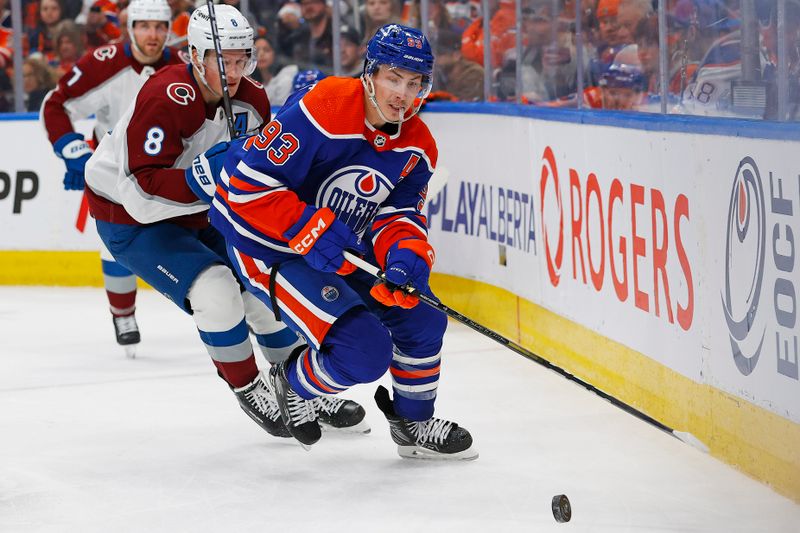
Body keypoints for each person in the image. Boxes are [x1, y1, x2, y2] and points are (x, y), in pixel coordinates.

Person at [83, 3, 367, 438]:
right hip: (128, 218)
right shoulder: (163, 96)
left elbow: (260, 179)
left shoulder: (252, 100)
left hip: (202, 210)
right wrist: (202, 180)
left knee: (262, 284)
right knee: (216, 289)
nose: (233, 71)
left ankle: (297, 388)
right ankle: (249, 386)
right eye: (223, 59)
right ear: (195, 56)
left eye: (241, 59)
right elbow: (139, 195)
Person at [209, 23, 477, 459]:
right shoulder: (325, 106)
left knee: (423, 319)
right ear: (369, 74)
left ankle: (413, 422)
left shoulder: (418, 145)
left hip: (339, 246)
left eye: (414, 84)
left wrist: (405, 255)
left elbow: (398, 214)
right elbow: (244, 188)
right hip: (266, 244)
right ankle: (293, 383)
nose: (402, 95)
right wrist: (306, 227)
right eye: (393, 78)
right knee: (364, 352)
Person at [42, 0, 184, 357]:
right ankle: (123, 315)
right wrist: (72, 151)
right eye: (144, 26)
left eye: (159, 27)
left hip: (166, 168)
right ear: (129, 26)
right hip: (112, 170)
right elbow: (56, 104)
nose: (152, 35)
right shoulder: (103, 63)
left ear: (168, 30)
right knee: (113, 241)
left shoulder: (183, 68)